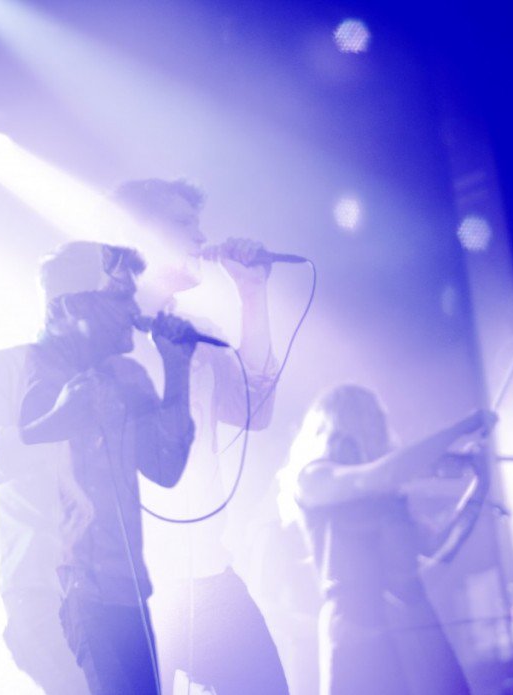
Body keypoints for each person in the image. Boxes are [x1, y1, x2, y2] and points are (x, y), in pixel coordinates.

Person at [0, 240, 196, 695]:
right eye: (118, 295)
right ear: (67, 308)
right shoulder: (5, 370)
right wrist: (48, 426)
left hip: (126, 595)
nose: (132, 309)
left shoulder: (128, 377)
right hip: (48, 595)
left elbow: (165, 467)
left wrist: (177, 371)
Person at [112, 179, 289, 694]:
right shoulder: (102, 333)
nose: (200, 236)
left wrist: (252, 294)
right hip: (130, 582)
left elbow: (256, 412)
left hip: (208, 574)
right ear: (135, 234)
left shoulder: (196, 327)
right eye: (182, 223)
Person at [281, 384, 496, 694]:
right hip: (358, 626)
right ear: (340, 423)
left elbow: (438, 547)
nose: (379, 427)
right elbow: (377, 476)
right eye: (369, 419)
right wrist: (459, 428)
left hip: (413, 622)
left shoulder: (385, 491)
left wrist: (479, 488)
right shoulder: (313, 478)